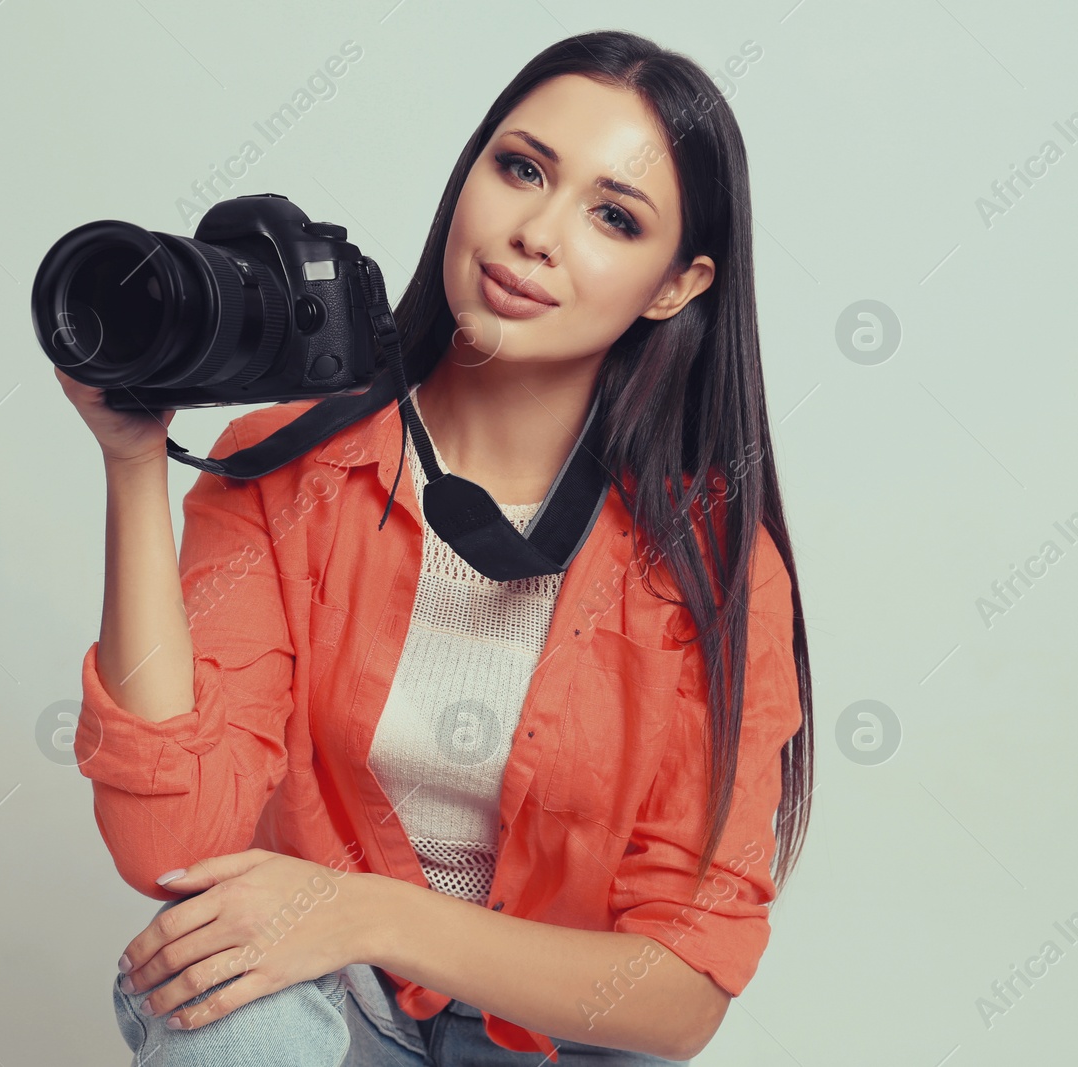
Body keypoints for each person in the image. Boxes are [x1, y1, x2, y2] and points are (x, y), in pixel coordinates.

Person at [56, 28, 814, 1066]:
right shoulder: (282, 468)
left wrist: (366, 911)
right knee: (241, 1022)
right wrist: (133, 462)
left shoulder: (706, 566)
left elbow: (679, 993)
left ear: (673, 287)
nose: (538, 232)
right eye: (521, 168)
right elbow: (168, 847)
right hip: (335, 1005)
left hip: (562, 1035)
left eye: (612, 216)